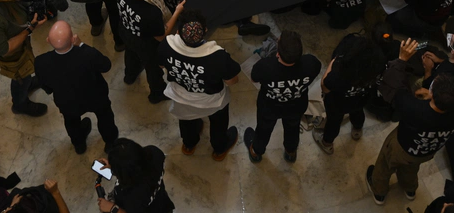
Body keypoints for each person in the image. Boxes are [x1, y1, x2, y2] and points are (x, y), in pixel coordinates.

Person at [369, 39, 454, 204]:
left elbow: (394, 83)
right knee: (411, 168)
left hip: (402, 147)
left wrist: (402, 59)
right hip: (426, 151)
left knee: (385, 165)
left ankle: (379, 191)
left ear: (433, 95)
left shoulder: (412, 108)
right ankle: (409, 189)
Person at [160, 11, 241, 159]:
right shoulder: (218, 56)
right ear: (205, 31)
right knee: (218, 124)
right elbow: (232, 81)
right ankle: (219, 149)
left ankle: (189, 145)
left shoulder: (166, 45)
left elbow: (161, 66)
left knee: (186, 121)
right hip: (212, 102)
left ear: (178, 31)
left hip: (181, 96)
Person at [35, 20, 119, 154]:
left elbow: (46, 87)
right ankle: (110, 141)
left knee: (71, 122)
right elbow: (106, 65)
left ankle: (79, 144)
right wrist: (81, 44)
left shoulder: (40, 62)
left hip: (68, 103)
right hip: (95, 97)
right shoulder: (87, 55)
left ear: (48, 41)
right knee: (105, 116)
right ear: (73, 39)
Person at [245, 30, 321, 163]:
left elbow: (254, 79)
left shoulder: (265, 66)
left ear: (278, 53)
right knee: (293, 128)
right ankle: (290, 152)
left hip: (269, 106)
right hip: (296, 106)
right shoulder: (310, 63)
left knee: (264, 129)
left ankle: (256, 151)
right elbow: (316, 71)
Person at [100, 137, 175, 213]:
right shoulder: (154, 153)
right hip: (162, 206)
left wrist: (113, 208)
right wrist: (117, 165)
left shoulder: (133, 196)